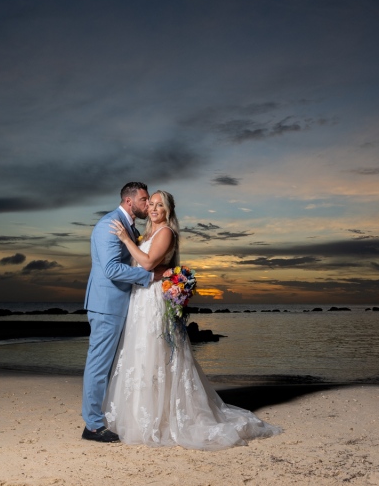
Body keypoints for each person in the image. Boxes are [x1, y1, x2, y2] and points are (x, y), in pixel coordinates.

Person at [103, 190, 281, 450]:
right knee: (141, 351)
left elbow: (149, 262)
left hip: (153, 298)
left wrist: (125, 240)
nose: (153, 209)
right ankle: (144, 415)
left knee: (157, 350)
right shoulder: (149, 234)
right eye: (150, 204)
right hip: (140, 297)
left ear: (168, 210)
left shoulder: (165, 233)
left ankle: (166, 417)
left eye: (159, 205)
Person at [81, 182, 160, 443]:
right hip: (106, 305)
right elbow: (112, 270)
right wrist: (150, 276)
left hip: (119, 304)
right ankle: (92, 426)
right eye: (144, 200)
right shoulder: (109, 225)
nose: (148, 205)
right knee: (99, 365)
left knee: (110, 365)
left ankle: (104, 417)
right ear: (129, 202)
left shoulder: (128, 226)